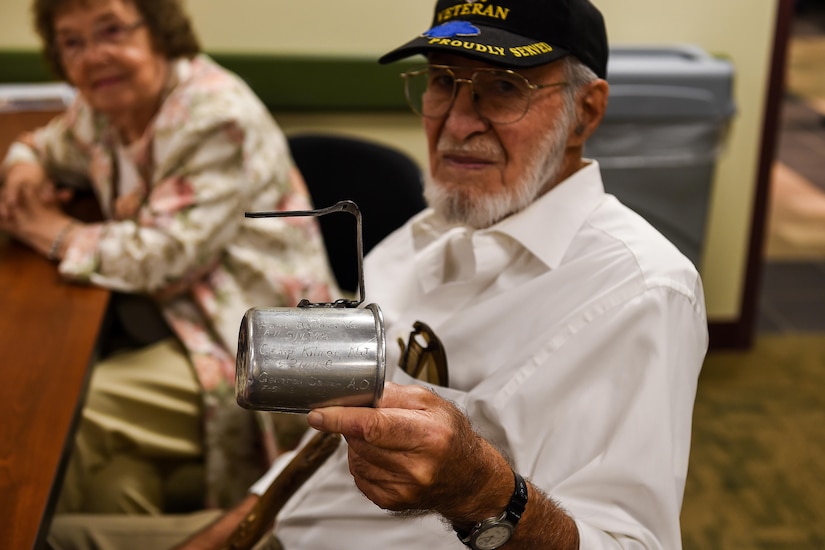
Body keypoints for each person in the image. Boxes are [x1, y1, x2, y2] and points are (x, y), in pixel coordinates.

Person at [51, 0, 710, 548]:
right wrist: (240, 526)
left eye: (502, 89)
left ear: (585, 113)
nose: (454, 123)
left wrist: (482, 492)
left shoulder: (640, 291)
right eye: (442, 82)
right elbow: (326, 448)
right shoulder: (426, 235)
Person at [0, 0, 337, 522]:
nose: (94, 56)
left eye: (111, 30)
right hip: (175, 322)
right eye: (73, 42)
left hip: (258, 342)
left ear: (158, 31)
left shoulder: (214, 115)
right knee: (115, 485)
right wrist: (24, 171)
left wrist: (52, 232)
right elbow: (47, 144)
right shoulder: (108, 105)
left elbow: (165, 258)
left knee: (62, 420)